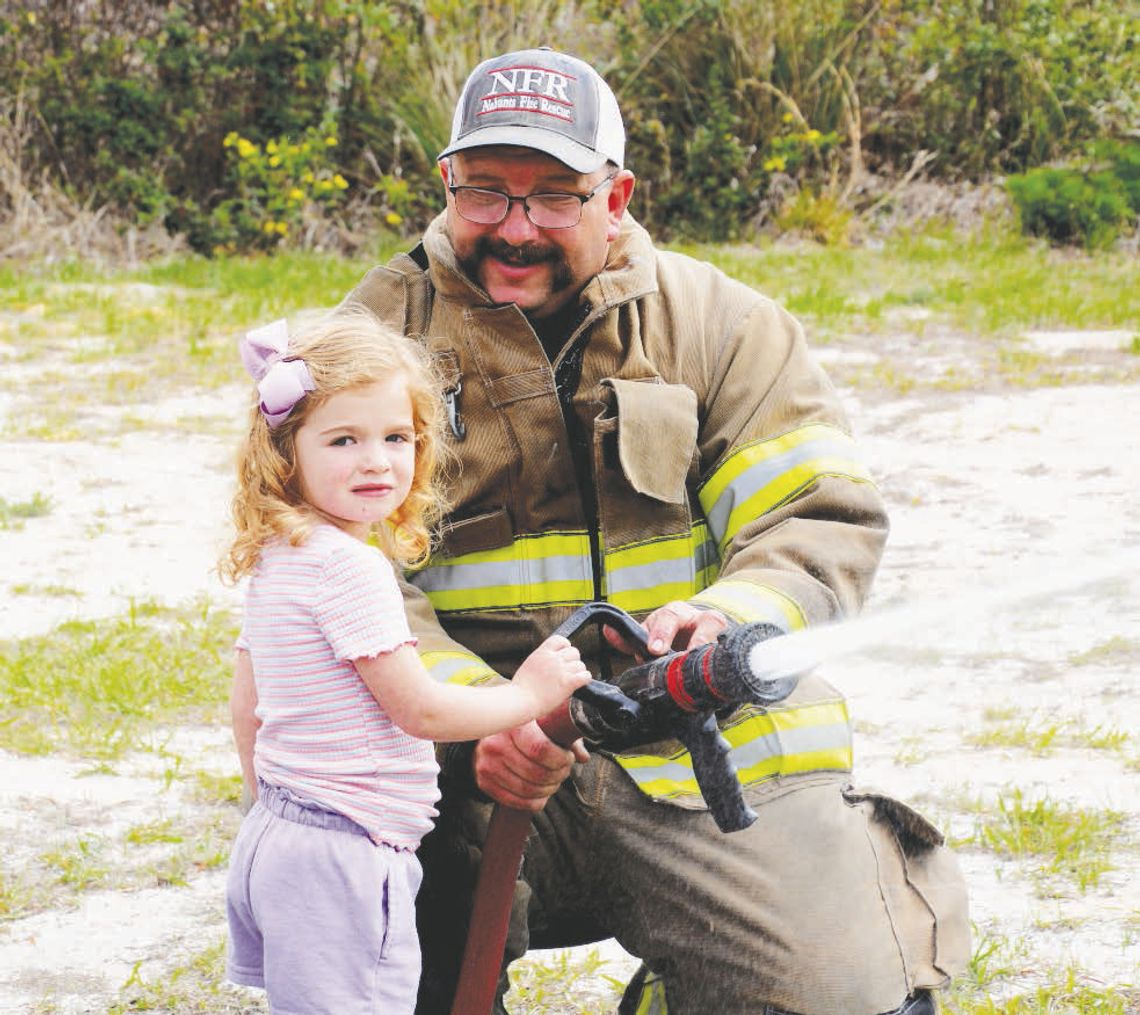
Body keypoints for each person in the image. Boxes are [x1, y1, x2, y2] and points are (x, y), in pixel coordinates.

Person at [345, 47, 970, 1015]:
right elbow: (332, 568)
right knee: (354, 950)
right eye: (486, 192)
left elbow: (815, 512)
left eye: (555, 196)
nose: (515, 227)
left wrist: (732, 618)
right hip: (465, 769)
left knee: (841, 996)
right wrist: (481, 717)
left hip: (700, 746)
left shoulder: (724, 325)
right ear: (446, 183)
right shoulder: (369, 341)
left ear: (618, 194)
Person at [218, 310, 592, 1014]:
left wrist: (270, 801)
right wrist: (529, 694)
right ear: (285, 450)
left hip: (283, 835)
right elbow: (419, 708)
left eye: (396, 437)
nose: (377, 460)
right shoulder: (351, 570)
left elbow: (249, 697)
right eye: (343, 439)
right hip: (346, 851)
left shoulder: (283, 553)